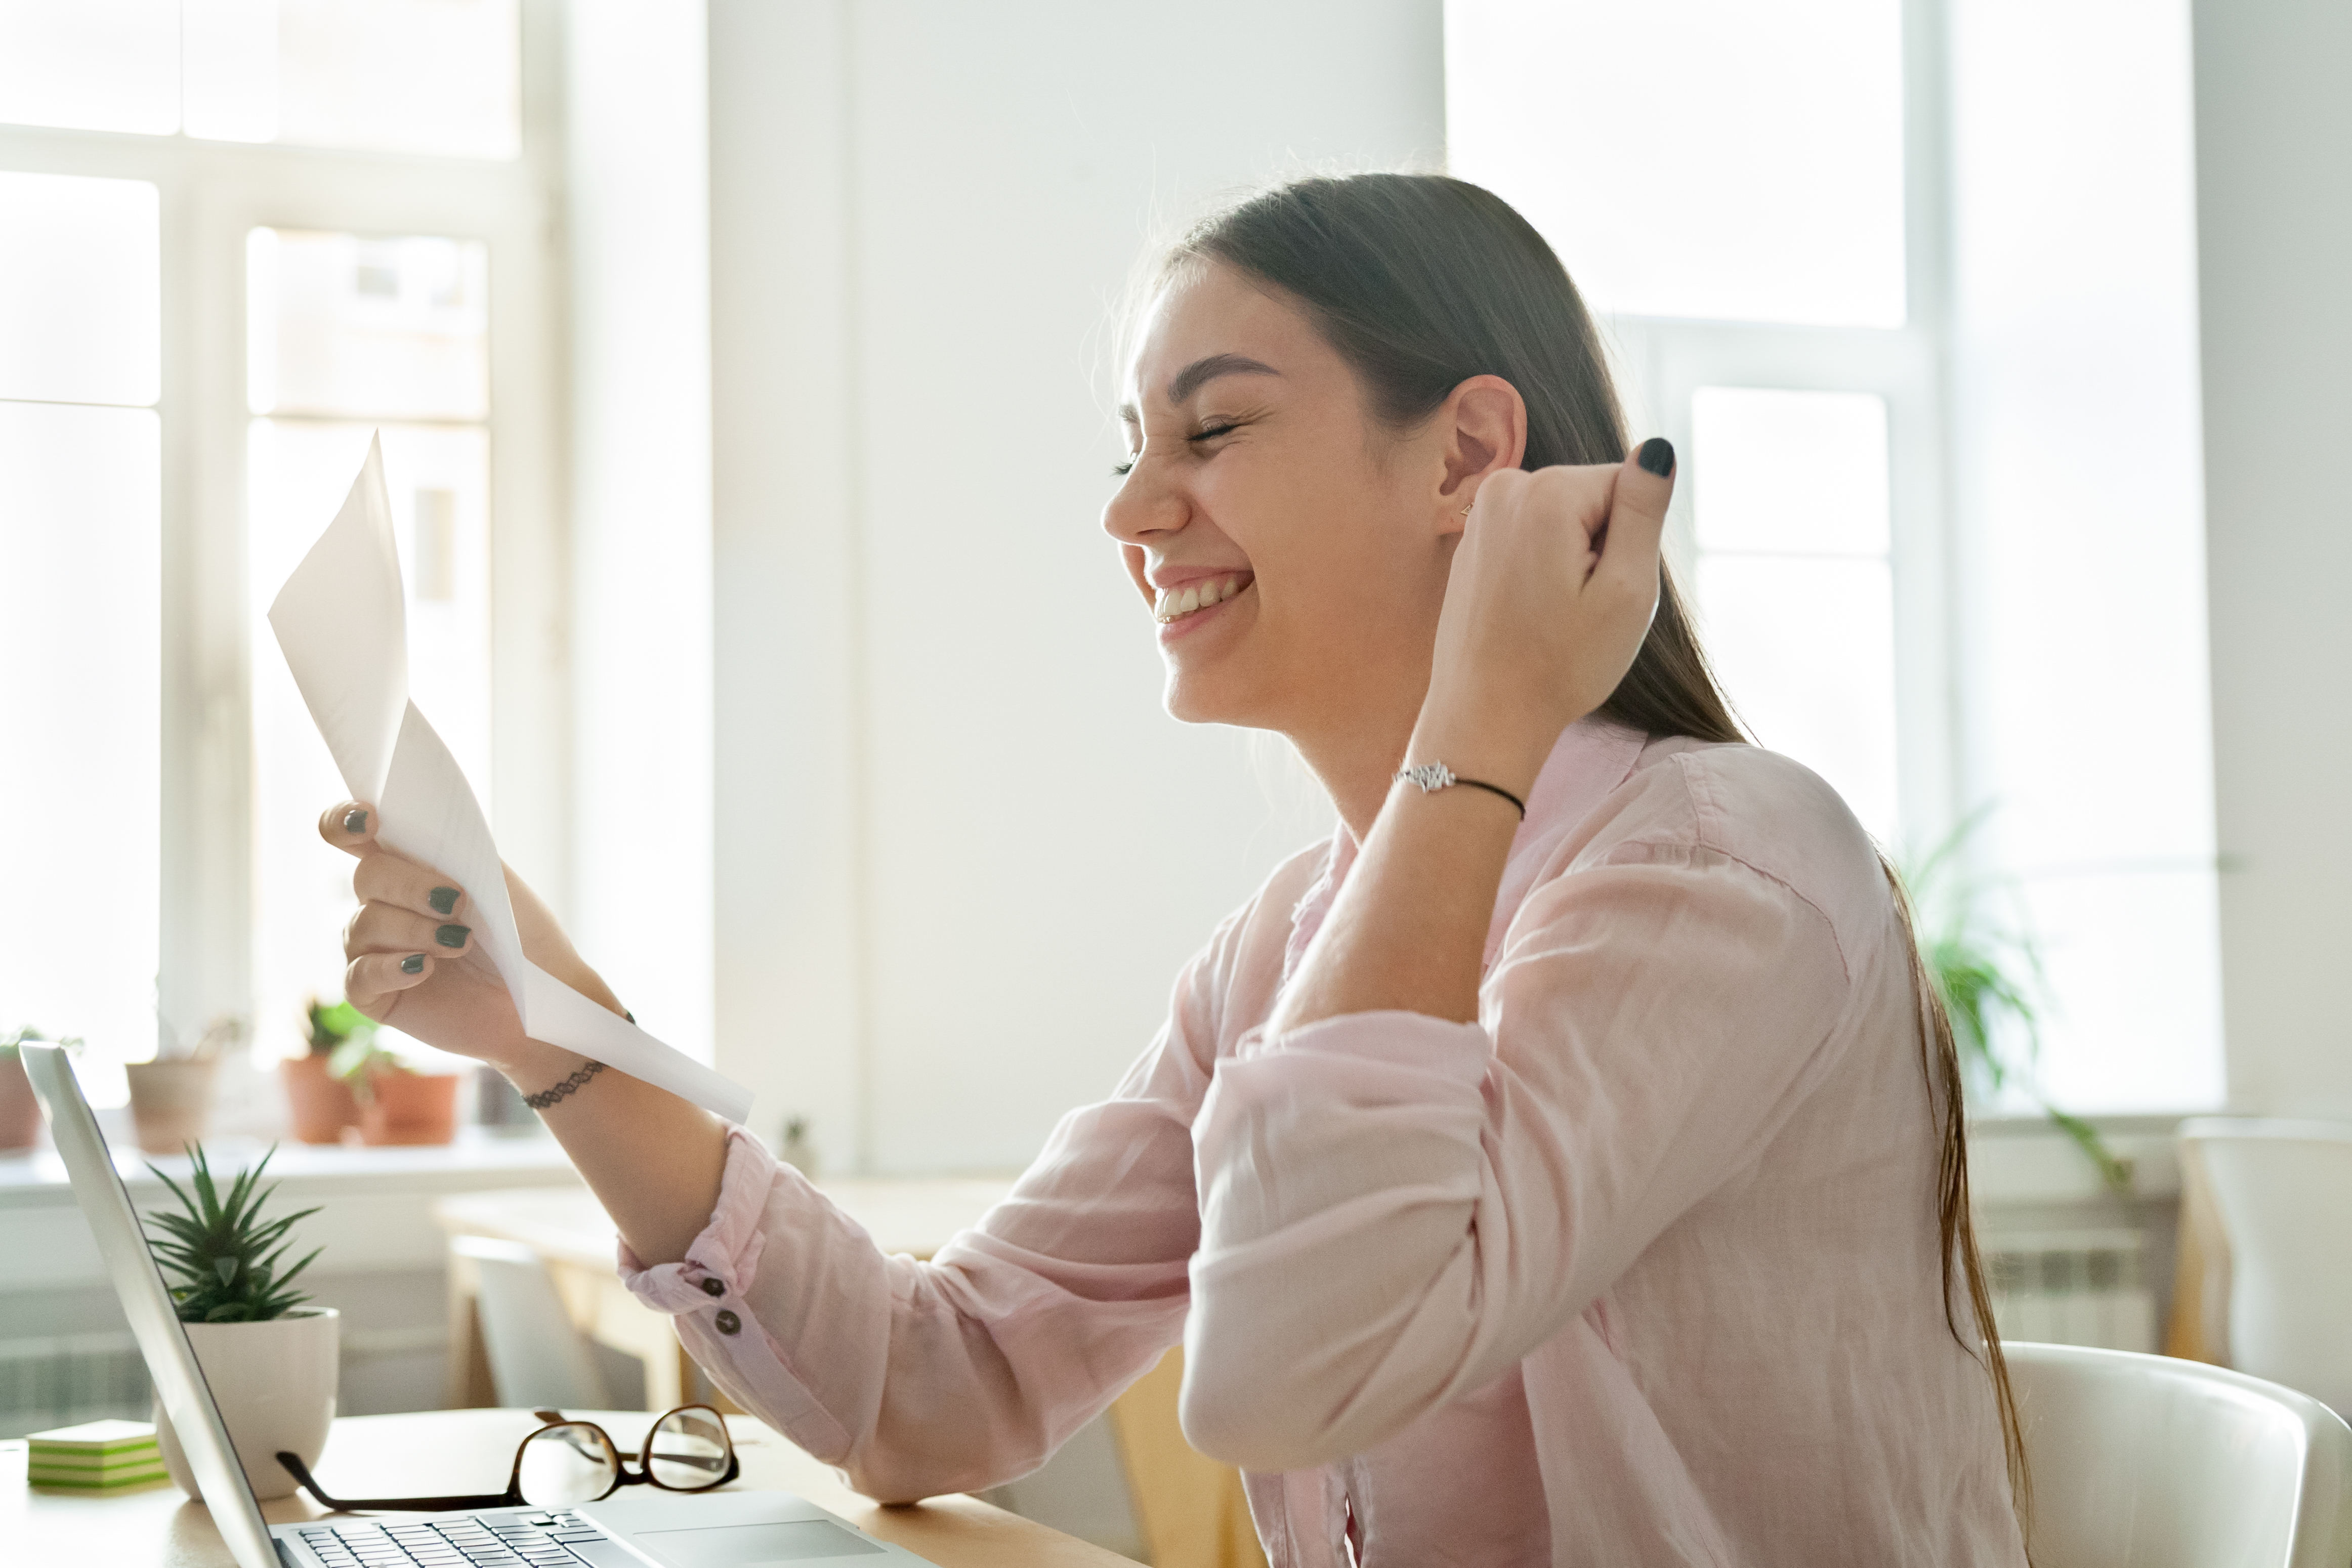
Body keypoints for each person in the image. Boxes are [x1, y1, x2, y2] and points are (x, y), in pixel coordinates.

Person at [323, 174, 2028, 1566]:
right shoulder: (1291, 944)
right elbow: (934, 1385)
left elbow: (1301, 1369)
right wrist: (551, 1022)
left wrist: (1487, 721)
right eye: (1129, 447)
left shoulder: (1723, 869)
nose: (1133, 511)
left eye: (1208, 433)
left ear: (1465, 458)